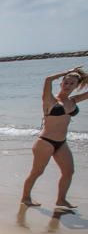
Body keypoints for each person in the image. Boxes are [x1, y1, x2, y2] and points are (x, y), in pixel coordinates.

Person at [20, 67, 88, 210]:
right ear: (61, 82)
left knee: (68, 171)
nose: (68, 86)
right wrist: (66, 72)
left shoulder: (74, 100)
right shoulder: (50, 99)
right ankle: (25, 198)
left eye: (72, 84)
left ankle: (61, 200)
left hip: (62, 143)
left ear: (76, 86)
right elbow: (48, 80)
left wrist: (81, 77)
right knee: (37, 172)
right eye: (66, 82)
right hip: (45, 142)